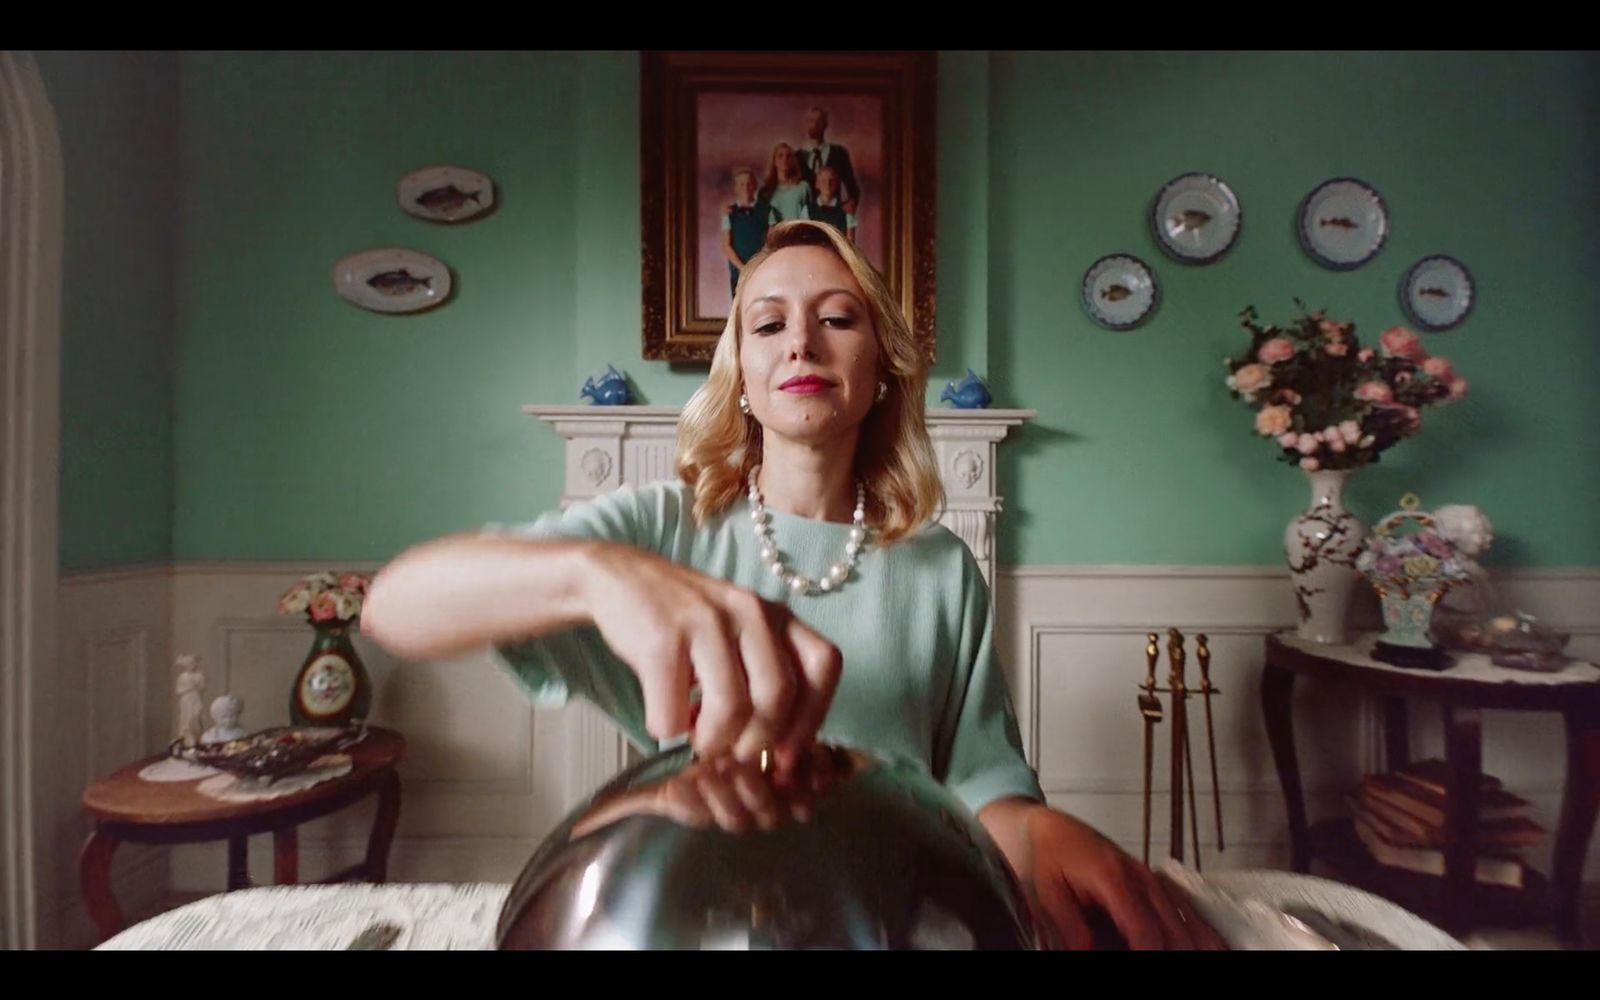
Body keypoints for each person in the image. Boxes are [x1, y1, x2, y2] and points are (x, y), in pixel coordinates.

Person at [362, 220, 1223, 951]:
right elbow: (399, 603)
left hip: (885, 918)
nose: (802, 344)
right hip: (701, 915)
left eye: (837, 318)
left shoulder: (940, 569)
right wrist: (597, 573)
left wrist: (1038, 832)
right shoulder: (665, 526)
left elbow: (979, 792)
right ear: (741, 374)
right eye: (768, 325)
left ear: (881, 362)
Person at [721, 167, 779, 298]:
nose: (745, 187)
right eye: (741, 184)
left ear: (755, 186)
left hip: (762, 269)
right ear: (736, 188)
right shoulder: (728, 213)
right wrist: (743, 268)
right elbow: (726, 245)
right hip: (738, 272)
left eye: (749, 183)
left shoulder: (768, 211)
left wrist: (757, 266)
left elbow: (771, 241)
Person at [797, 106, 860, 217]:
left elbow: (852, 186)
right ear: (806, 124)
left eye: (819, 121)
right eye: (811, 121)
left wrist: (851, 204)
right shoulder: (797, 157)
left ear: (825, 124)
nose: (815, 125)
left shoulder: (839, 153)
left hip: (833, 216)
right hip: (805, 217)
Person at [757, 142, 812, 225]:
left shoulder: (803, 187)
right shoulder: (765, 192)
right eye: (780, 156)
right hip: (776, 235)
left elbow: (811, 213)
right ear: (774, 161)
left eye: (788, 156)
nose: (784, 159)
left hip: (798, 233)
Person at [801, 165, 856, 243]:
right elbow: (805, 238)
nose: (828, 184)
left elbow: (850, 240)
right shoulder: (807, 210)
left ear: (837, 184)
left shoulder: (847, 209)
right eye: (823, 181)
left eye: (831, 180)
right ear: (817, 184)